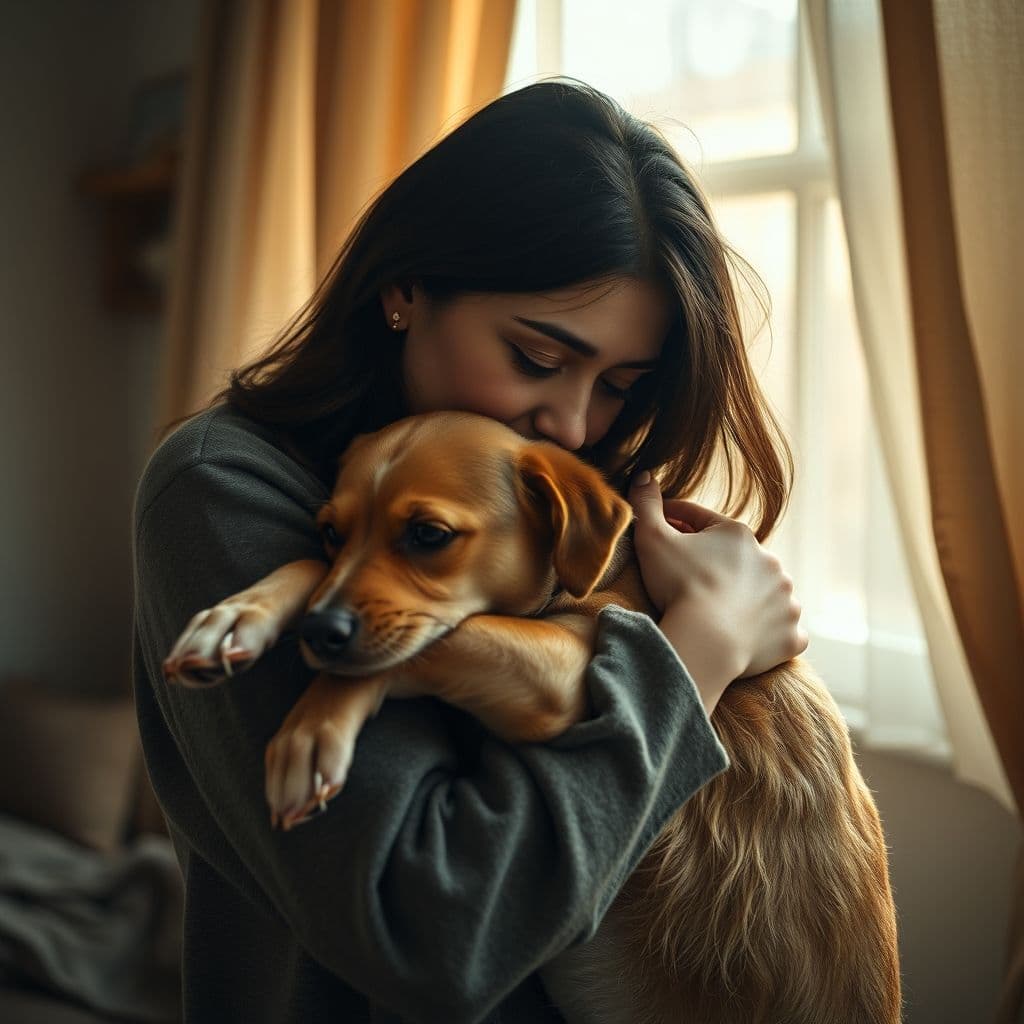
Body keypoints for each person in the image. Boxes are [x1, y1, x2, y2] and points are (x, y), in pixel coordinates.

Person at [132, 79, 806, 1023]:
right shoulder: (222, 488)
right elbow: (438, 938)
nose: (572, 423)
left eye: (619, 384)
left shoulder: (560, 498)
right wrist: (700, 652)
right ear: (406, 290)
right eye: (538, 358)